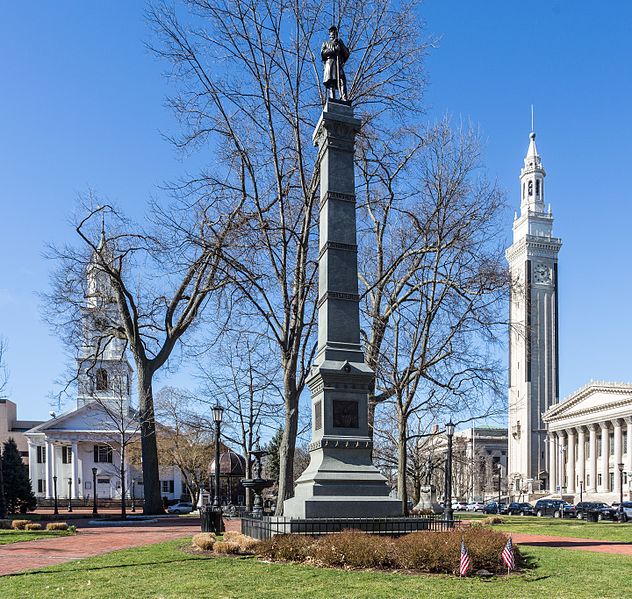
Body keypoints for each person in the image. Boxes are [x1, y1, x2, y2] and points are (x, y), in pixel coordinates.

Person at [321, 26, 350, 101]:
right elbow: (323, 53)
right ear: (329, 33)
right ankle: (332, 98)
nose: (333, 33)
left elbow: (346, 54)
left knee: (342, 80)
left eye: (334, 31)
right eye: (332, 31)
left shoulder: (339, 42)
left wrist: (341, 45)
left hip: (338, 64)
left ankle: (344, 98)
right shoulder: (326, 43)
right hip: (330, 63)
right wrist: (334, 49)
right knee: (332, 82)